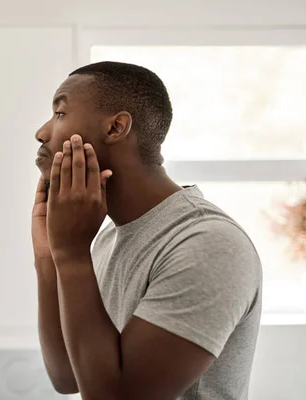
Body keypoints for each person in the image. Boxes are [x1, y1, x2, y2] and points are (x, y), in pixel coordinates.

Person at [32, 61, 262, 400]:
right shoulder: (107, 239)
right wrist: (49, 257)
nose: (42, 131)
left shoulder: (209, 244)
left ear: (116, 128)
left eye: (60, 113)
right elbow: (68, 376)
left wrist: (71, 255)